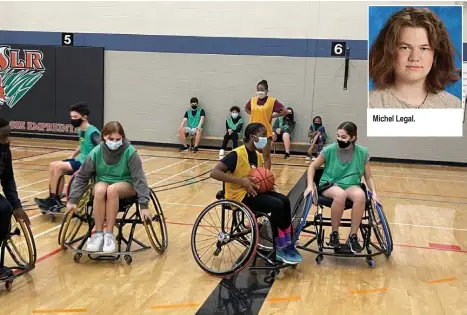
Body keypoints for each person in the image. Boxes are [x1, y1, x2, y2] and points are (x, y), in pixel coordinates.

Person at [211, 122, 302, 265]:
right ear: (252, 137)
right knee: (277, 205)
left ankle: (286, 243)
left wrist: (268, 185)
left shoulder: (258, 156)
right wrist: (242, 181)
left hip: (254, 192)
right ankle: (279, 248)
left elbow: (259, 177)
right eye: (263, 136)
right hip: (238, 197)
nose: (265, 139)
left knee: (284, 200)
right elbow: (214, 173)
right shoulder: (236, 154)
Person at [66, 121, 151, 253]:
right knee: (99, 190)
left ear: (123, 137)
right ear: (104, 136)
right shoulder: (96, 152)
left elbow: (139, 179)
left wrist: (144, 205)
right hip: (103, 181)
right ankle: (99, 234)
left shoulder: (130, 152)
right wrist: (72, 200)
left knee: (112, 190)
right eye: (111, 139)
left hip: (126, 184)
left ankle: (109, 234)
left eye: (118, 139)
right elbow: (81, 176)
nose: (115, 142)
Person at [304, 122, 380, 253]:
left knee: (361, 195)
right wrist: (310, 185)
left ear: (353, 137)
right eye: (338, 136)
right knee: (340, 195)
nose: (339, 139)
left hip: (351, 185)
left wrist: (374, 193)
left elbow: (368, 177)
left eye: (343, 137)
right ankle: (334, 234)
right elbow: (312, 167)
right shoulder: (329, 150)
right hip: (330, 184)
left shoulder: (362, 152)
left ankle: (353, 236)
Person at [369, 7, 461, 109]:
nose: (414, 58)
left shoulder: (453, 105)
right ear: (388, 52)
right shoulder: (371, 104)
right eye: (405, 47)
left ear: (436, 54)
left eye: (424, 48)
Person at [35, 102, 100, 210]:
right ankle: (53, 197)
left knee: (58, 167)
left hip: (86, 163)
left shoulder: (93, 132)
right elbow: (83, 144)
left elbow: (100, 147)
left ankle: (54, 200)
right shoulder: (81, 129)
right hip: (80, 159)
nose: (73, 119)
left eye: (75, 117)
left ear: (84, 117)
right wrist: (72, 155)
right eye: (71, 117)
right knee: (52, 165)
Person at [0, 118, 30, 280]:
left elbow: (8, 179)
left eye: (7, 136)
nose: (7, 140)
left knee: (5, 208)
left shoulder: (4, 150)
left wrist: (17, 206)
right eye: (3, 137)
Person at [245, 80, 289, 170]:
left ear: (266, 90)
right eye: (258, 89)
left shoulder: (272, 101)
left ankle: (266, 175)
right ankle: (256, 174)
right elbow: (246, 108)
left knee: (266, 156)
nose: (259, 91)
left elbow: (285, 111)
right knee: (253, 156)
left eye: (261, 89)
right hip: (253, 132)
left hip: (265, 133)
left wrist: (274, 116)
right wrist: (253, 114)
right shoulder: (252, 100)